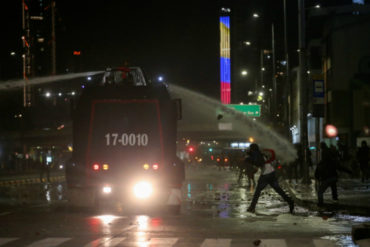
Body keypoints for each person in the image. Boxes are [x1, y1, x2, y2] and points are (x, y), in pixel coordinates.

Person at [246, 144, 294, 214]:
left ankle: (252, 207)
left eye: (250, 148)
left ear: (252, 149)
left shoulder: (256, 154)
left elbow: (259, 163)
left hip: (266, 174)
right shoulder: (260, 153)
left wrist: (249, 160)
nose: (250, 149)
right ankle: (290, 202)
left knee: (257, 191)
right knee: (278, 190)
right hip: (272, 173)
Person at [315, 142, 351, 207]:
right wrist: (349, 171)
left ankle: (321, 205)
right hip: (333, 177)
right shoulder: (332, 162)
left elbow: (317, 173)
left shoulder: (321, 163)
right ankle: (335, 200)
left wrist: (318, 179)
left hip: (326, 178)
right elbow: (340, 167)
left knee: (320, 192)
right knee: (333, 187)